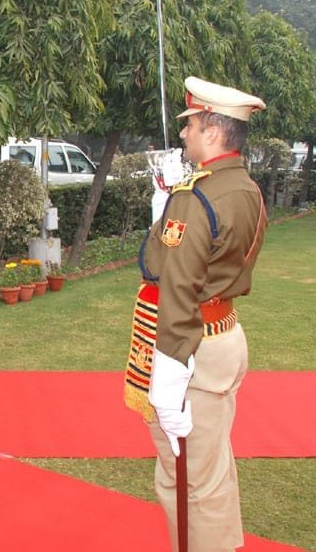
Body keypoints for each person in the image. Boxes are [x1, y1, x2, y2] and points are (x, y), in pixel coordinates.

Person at [124, 76, 267, 552]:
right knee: (212, 469)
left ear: (211, 129)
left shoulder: (197, 195)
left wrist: (167, 374)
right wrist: (169, 205)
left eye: (189, 125)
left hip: (190, 350)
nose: (182, 134)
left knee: (184, 480)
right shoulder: (244, 187)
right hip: (223, 335)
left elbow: (175, 284)